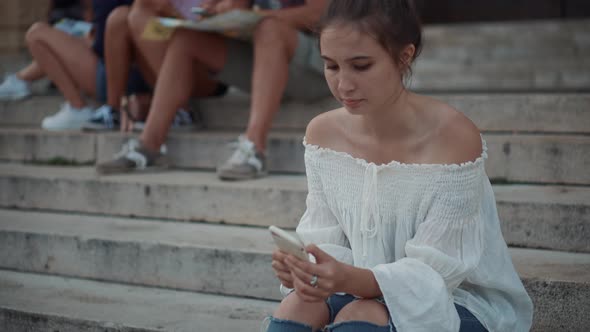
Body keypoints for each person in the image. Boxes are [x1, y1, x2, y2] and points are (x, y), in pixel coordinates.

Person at [266, 1, 533, 331]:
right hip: (357, 289)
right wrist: (307, 269)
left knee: (361, 314)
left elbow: (437, 274)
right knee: (298, 304)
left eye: (360, 66)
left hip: (453, 299)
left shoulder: (454, 137)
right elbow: (328, 240)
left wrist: (350, 278)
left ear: (404, 57)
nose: (343, 85)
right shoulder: (323, 133)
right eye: (331, 66)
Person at [95, 0, 331, 178]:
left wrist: (259, 15)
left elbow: (319, 13)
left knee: (270, 28)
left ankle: (253, 148)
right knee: (186, 38)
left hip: (317, 66)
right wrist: (220, 10)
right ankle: (149, 145)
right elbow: (237, 6)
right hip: (267, 54)